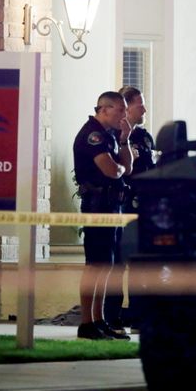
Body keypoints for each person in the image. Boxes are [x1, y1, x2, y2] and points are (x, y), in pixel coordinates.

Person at [73, 91, 133, 340]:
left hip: (112, 206)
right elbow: (112, 170)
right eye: (121, 110)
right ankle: (87, 323)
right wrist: (118, 166)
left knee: (107, 265)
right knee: (95, 265)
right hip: (98, 206)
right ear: (104, 109)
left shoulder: (111, 136)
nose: (124, 115)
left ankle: (99, 319)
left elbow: (126, 168)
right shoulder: (93, 134)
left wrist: (126, 139)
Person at [109, 85, 157, 332]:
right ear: (126, 109)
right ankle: (113, 318)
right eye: (140, 104)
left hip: (145, 210)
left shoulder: (146, 137)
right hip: (122, 207)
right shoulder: (112, 137)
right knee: (116, 264)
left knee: (142, 265)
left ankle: (139, 316)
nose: (145, 109)